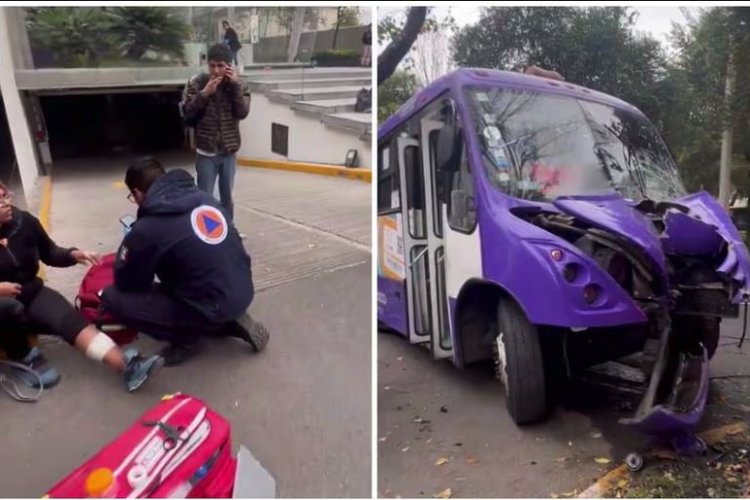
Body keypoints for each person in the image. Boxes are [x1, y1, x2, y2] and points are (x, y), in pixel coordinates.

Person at [102, 157, 269, 367]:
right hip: (241, 288)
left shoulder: (148, 227)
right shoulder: (205, 199)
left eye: (132, 196)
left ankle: (188, 338)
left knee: (111, 297)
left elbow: (130, 283)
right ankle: (229, 319)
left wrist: (135, 247)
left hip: (208, 301)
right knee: (189, 268)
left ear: (137, 193)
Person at [0, 182, 163, 392]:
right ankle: (23, 357)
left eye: (5, 197)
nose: (5, 204)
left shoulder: (25, 222)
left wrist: (74, 255)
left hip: (30, 293)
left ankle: (128, 367)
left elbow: (49, 252)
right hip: (4, 310)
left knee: (72, 322)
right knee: (7, 309)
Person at [179, 43, 250, 232]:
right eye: (212, 66)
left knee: (227, 197)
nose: (216, 70)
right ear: (207, 64)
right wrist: (204, 94)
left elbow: (242, 112)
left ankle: (228, 230)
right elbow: (187, 114)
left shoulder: (239, 83)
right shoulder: (196, 82)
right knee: (204, 197)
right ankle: (205, 233)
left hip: (229, 151)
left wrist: (234, 86)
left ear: (229, 65)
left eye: (221, 65)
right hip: (206, 152)